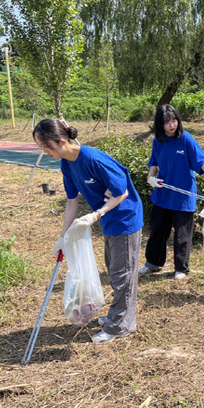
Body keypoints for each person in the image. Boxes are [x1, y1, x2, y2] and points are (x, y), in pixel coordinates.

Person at [33, 118, 143, 345]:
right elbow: (72, 202)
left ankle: (120, 325)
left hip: (125, 218)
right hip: (109, 221)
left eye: (46, 147)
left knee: (124, 274)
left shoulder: (93, 159)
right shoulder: (66, 162)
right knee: (115, 270)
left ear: (62, 141)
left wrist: (96, 214)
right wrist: (63, 236)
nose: (45, 152)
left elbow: (121, 192)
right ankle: (119, 316)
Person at [141, 104, 204, 279]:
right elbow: (154, 162)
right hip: (163, 193)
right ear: (160, 125)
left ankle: (181, 268)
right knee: (157, 231)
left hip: (183, 195)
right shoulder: (158, 140)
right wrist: (150, 178)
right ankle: (153, 263)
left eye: (174, 120)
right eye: (167, 122)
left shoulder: (186, 139)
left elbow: (200, 159)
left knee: (182, 234)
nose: (172, 125)